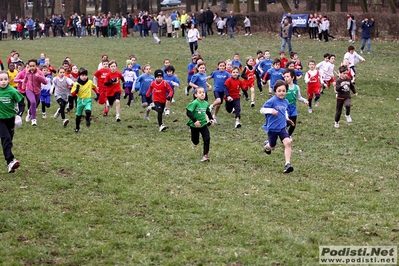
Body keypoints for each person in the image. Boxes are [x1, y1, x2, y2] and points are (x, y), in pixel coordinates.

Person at [260, 80, 295, 174]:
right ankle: (267, 146)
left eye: (283, 91)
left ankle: (288, 164)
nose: (281, 93)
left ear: (286, 91)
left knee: (288, 142)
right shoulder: (272, 101)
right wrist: (271, 111)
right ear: (275, 91)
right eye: (279, 91)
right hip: (272, 128)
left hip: (282, 127)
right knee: (272, 147)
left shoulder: (286, 101)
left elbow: (284, 111)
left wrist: (287, 118)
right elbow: (262, 110)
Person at [0, 71, 25, 173]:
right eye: (1, 80)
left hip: (10, 119)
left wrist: (19, 115)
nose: (3, 82)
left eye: (5, 79)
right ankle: (10, 160)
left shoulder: (13, 91)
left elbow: (22, 103)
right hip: (0, 120)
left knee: (8, 140)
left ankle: (9, 165)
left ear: (9, 80)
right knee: (6, 139)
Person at [186, 86, 214, 162]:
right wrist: (195, 121)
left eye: (203, 92)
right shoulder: (195, 103)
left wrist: (211, 119)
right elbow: (188, 112)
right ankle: (192, 133)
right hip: (194, 125)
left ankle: (205, 155)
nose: (202, 94)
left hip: (203, 124)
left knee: (207, 138)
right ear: (196, 95)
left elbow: (208, 111)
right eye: (200, 92)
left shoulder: (205, 103)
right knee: (196, 141)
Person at [70, 68, 99, 133]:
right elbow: (72, 94)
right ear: (79, 76)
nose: (84, 77)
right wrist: (76, 91)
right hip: (80, 100)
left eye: (85, 75)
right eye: (82, 75)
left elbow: (94, 87)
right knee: (78, 116)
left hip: (87, 99)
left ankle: (87, 118)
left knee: (88, 111)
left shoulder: (89, 82)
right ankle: (77, 128)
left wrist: (97, 94)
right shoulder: (76, 84)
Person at [283, 69, 308, 135]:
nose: (286, 78)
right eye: (284, 77)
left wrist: (304, 100)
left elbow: (299, 97)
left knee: (293, 124)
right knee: (285, 124)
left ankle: (287, 136)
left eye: (287, 76)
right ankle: (282, 135)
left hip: (293, 107)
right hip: (285, 108)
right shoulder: (283, 87)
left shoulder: (296, 87)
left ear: (292, 77)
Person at [23, 59, 47, 126]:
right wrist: (23, 86)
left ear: (36, 66)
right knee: (33, 102)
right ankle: (34, 120)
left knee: (35, 104)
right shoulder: (27, 72)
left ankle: (29, 113)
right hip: (29, 90)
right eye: (30, 66)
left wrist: (39, 77)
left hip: (37, 91)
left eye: (33, 66)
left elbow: (45, 82)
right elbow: (25, 80)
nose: (32, 67)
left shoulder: (39, 73)